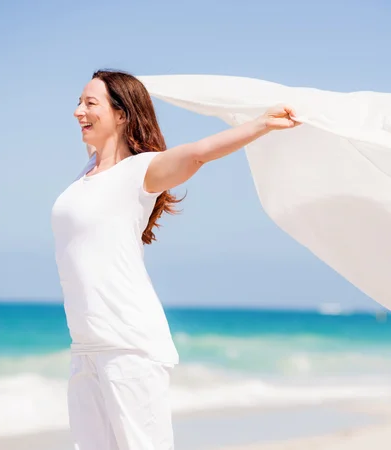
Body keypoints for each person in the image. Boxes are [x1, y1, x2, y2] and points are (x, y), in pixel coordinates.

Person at [50, 69, 299, 450]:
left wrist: (261, 123)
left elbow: (199, 154)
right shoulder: (89, 170)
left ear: (121, 114)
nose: (77, 111)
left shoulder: (141, 170)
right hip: (85, 346)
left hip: (128, 345)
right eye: (78, 101)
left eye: (89, 103)